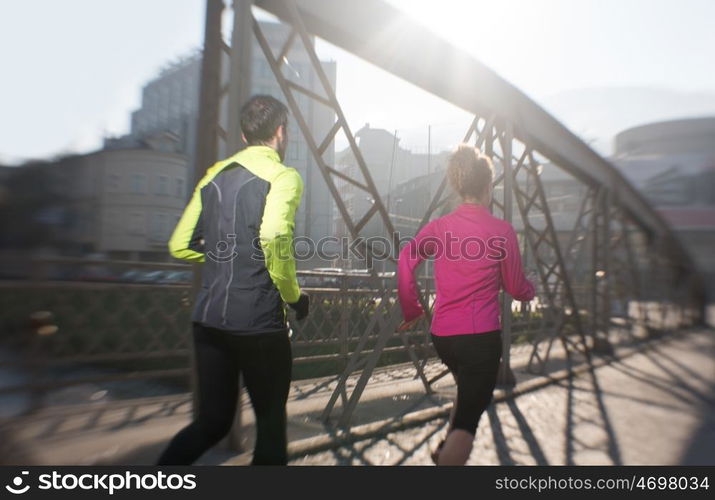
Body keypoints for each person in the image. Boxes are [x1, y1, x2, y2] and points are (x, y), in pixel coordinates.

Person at [156, 95, 309, 466]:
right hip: (258, 324)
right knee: (271, 427)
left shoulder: (213, 175)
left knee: (211, 423)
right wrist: (294, 297)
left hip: (208, 322)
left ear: (243, 135)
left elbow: (179, 245)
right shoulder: (283, 176)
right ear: (281, 132)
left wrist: (221, 256)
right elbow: (274, 238)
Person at [397, 144, 535, 465]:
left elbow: (406, 259)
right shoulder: (502, 232)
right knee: (468, 425)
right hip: (480, 340)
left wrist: (412, 308)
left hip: (444, 337)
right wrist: (531, 291)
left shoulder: (440, 227)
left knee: (466, 394)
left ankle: (445, 446)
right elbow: (516, 287)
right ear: (489, 187)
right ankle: (450, 456)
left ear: (460, 187)